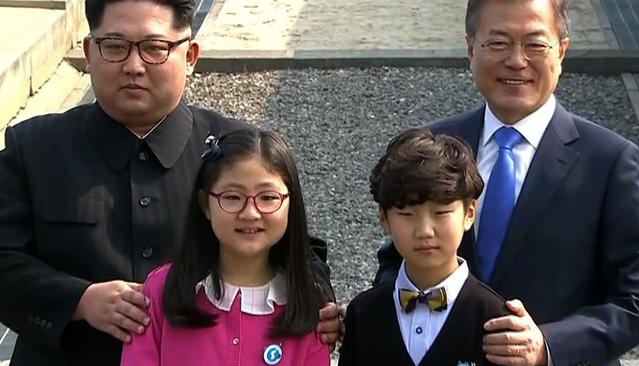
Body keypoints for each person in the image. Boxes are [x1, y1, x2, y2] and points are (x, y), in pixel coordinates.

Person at [0, 0, 338, 364]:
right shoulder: (34, 147)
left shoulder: (239, 151)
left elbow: (298, 248)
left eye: (154, 48)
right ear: (88, 51)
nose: (133, 66)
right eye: (114, 46)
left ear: (190, 55)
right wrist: (78, 300)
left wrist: (320, 306)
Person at [373, 0, 639, 365]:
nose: (517, 61)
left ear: (561, 51)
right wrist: (366, 316)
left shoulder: (610, 161)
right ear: (472, 48)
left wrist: (548, 345)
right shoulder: (433, 144)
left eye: (535, 44)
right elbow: (396, 263)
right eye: (499, 43)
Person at [121, 127, 331, 366]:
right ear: (205, 204)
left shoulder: (308, 305)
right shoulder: (161, 291)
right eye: (232, 197)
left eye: (268, 197)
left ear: (290, 204)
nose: (251, 213)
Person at [338, 128, 511, 365]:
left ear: (469, 213)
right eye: (407, 214)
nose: (425, 231)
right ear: (384, 218)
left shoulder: (494, 319)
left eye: (441, 213)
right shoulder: (363, 314)